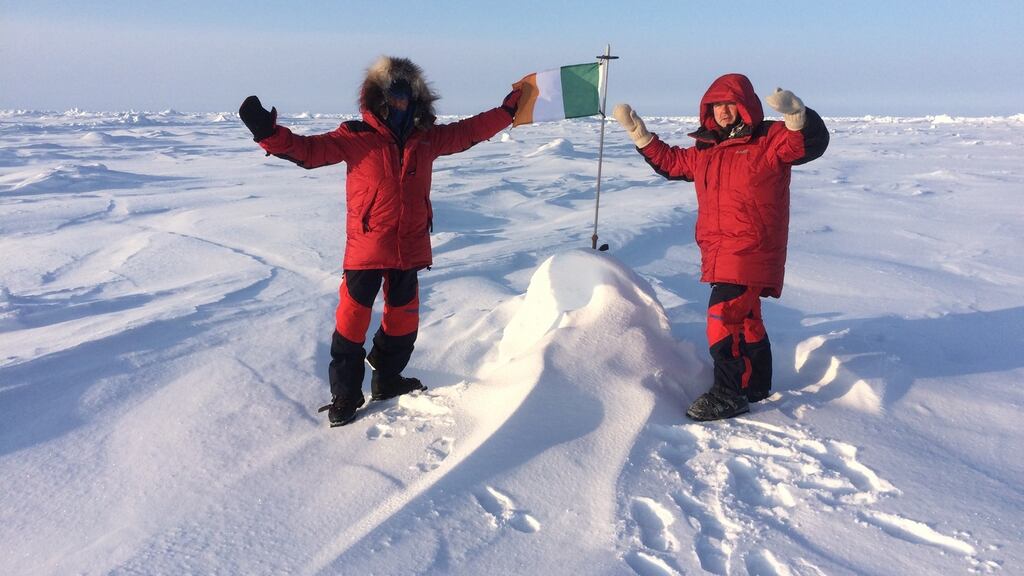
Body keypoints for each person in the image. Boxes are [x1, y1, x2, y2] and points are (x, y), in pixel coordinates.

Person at [239, 56, 521, 427]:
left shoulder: (427, 139)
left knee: (403, 321)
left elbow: (467, 132)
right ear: (380, 98)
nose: (402, 102)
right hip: (367, 247)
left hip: (409, 246)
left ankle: (387, 379)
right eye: (395, 94)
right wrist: (268, 134)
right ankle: (345, 395)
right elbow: (308, 152)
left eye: (408, 95)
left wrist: (505, 113)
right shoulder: (355, 136)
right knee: (352, 322)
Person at [613, 73, 829, 421]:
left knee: (722, 317)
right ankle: (755, 384)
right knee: (745, 319)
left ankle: (729, 393)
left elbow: (803, 145)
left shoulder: (768, 140)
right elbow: (672, 163)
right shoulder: (707, 151)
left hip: (751, 249)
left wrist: (798, 118)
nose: (724, 112)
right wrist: (642, 137)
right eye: (716, 106)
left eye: (730, 104)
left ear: (745, 106)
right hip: (720, 251)